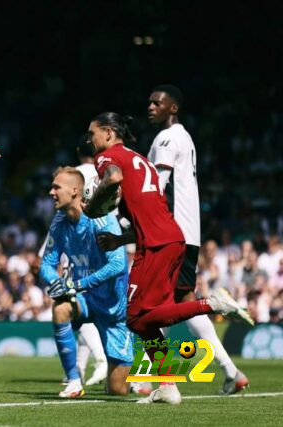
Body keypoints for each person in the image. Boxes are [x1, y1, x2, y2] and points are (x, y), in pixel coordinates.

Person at [84, 112, 253, 404]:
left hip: (157, 245)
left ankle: (211, 303)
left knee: (136, 317)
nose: (90, 139)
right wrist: (119, 239)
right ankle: (168, 386)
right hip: (171, 238)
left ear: (109, 134)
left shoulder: (107, 158)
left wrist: (93, 206)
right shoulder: (141, 161)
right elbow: (147, 212)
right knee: (149, 319)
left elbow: (113, 178)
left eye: (93, 133)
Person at [147, 84, 249, 394]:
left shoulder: (165, 139)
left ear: (173, 108)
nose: (150, 107)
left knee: (148, 306)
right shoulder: (185, 137)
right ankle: (231, 372)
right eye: (149, 103)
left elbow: (158, 188)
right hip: (187, 232)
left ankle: (159, 379)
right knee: (181, 301)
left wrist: (133, 225)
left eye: (157, 103)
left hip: (169, 232)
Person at [40, 166, 133, 398]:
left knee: (118, 390)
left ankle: (135, 376)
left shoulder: (101, 219)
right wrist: (56, 282)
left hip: (114, 305)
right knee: (61, 308)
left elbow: (117, 265)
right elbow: (46, 264)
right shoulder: (59, 221)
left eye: (56, 187)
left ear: (74, 191)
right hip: (84, 298)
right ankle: (73, 381)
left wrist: (77, 285)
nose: (51, 192)